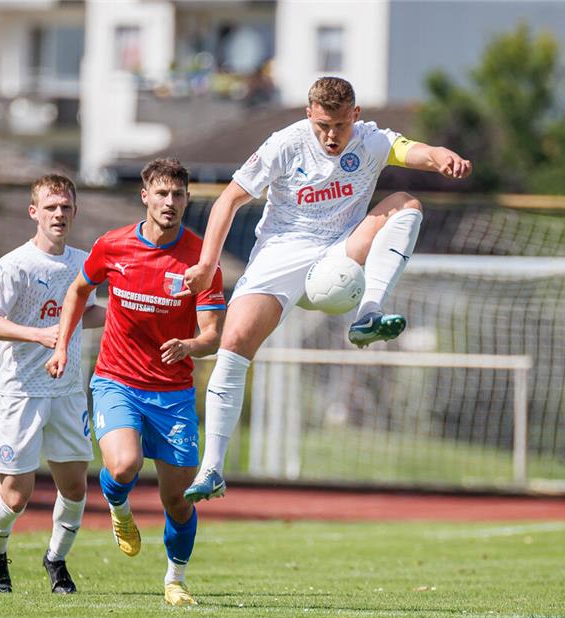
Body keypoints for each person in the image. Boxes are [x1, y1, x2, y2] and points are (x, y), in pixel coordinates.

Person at [174, 76, 473, 502]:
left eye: (339, 126)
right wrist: (207, 264)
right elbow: (228, 201)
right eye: (322, 126)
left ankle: (368, 314)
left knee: (407, 203)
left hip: (338, 256)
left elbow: (411, 151)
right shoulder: (285, 143)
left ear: (356, 115)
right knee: (234, 343)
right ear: (308, 115)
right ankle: (212, 470)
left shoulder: (370, 141)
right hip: (281, 252)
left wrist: (440, 155)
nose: (331, 136)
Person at [46, 158, 225, 606]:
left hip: (173, 394)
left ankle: (175, 580)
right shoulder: (114, 245)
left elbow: (213, 336)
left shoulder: (202, 262)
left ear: (187, 200)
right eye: (161, 194)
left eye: (178, 195)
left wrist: (189, 345)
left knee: (179, 501)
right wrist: (61, 346)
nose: (170, 202)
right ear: (144, 196)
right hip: (116, 381)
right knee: (122, 466)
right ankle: (119, 507)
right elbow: (78, 292)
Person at [0, 174, 105, 594]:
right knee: (16, 496)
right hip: (21, 392)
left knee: (74, 487)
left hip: (67, 393)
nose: (59, 214)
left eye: (66, 207)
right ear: (34, 212)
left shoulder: (83, 263)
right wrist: (40, 334)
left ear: (75, 212)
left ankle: (56, 561)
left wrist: (132, 315)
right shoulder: (14, 264)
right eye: (50, 207)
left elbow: (87, 313)